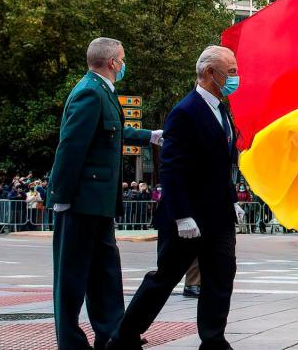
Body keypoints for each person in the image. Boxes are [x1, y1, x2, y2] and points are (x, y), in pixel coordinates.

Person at [111, 46, 241, 350]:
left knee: (220, 278)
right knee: (164, 278)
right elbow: (172, 166)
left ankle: (213, 340)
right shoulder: (184, 111)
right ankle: (123, 336)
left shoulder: (221, 109)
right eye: (231, 71)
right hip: (187, 217)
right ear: (211, 73)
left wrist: (232, 199)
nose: (236, 77)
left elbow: (221, 164)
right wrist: (182, 214)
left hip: (218, 215)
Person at [50, 37, 161, 350]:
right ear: (113, 62)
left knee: (106, 272)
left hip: (98, 203)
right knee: (71, 277)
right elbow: (71, 146)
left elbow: (110, 133)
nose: (124, 64)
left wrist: (149, 135)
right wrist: (61, 195)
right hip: (80, 201)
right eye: (122, 59)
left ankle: (112, 332)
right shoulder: (89, 92)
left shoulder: (102, 92)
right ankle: (71, 342)